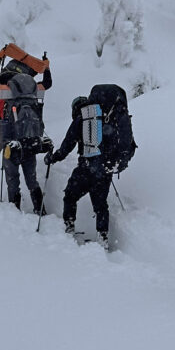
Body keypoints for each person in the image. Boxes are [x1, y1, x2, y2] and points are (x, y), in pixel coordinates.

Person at [45, 85, 136, 250]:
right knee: (100, 204)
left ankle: (69, 227)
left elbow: (68, 143)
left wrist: (54, 157)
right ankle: (102, 237)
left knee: (70, 196)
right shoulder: (110, 115)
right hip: (106, 169)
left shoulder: (84, 117)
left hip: (87, 168)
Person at [0, 72, 52, 213]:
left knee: (13, 181)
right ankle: (41, 212)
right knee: (32, 181)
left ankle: (15, 214)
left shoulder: (4, 98)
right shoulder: (31, 95)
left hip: (11, 147)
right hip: (30, 143)